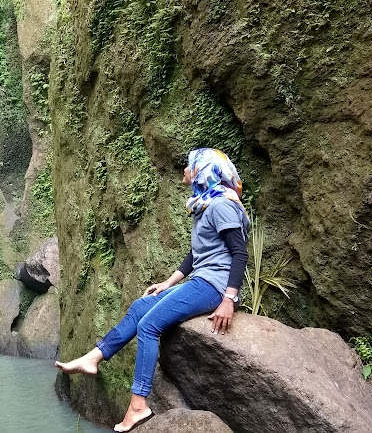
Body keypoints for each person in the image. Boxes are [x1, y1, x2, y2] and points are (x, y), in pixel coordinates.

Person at [55, 148, 250, 432]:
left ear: (203, 171)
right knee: (140, 307)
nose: (185, 170)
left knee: (148, 326)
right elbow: (197, 254)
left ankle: (138, 406)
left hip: (215, 286)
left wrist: (229, 299)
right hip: (203, 279)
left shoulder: (222, 206)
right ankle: (93, 358)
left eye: (189, 165)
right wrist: (168, 283)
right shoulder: (206, 204)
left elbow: (239, 253)